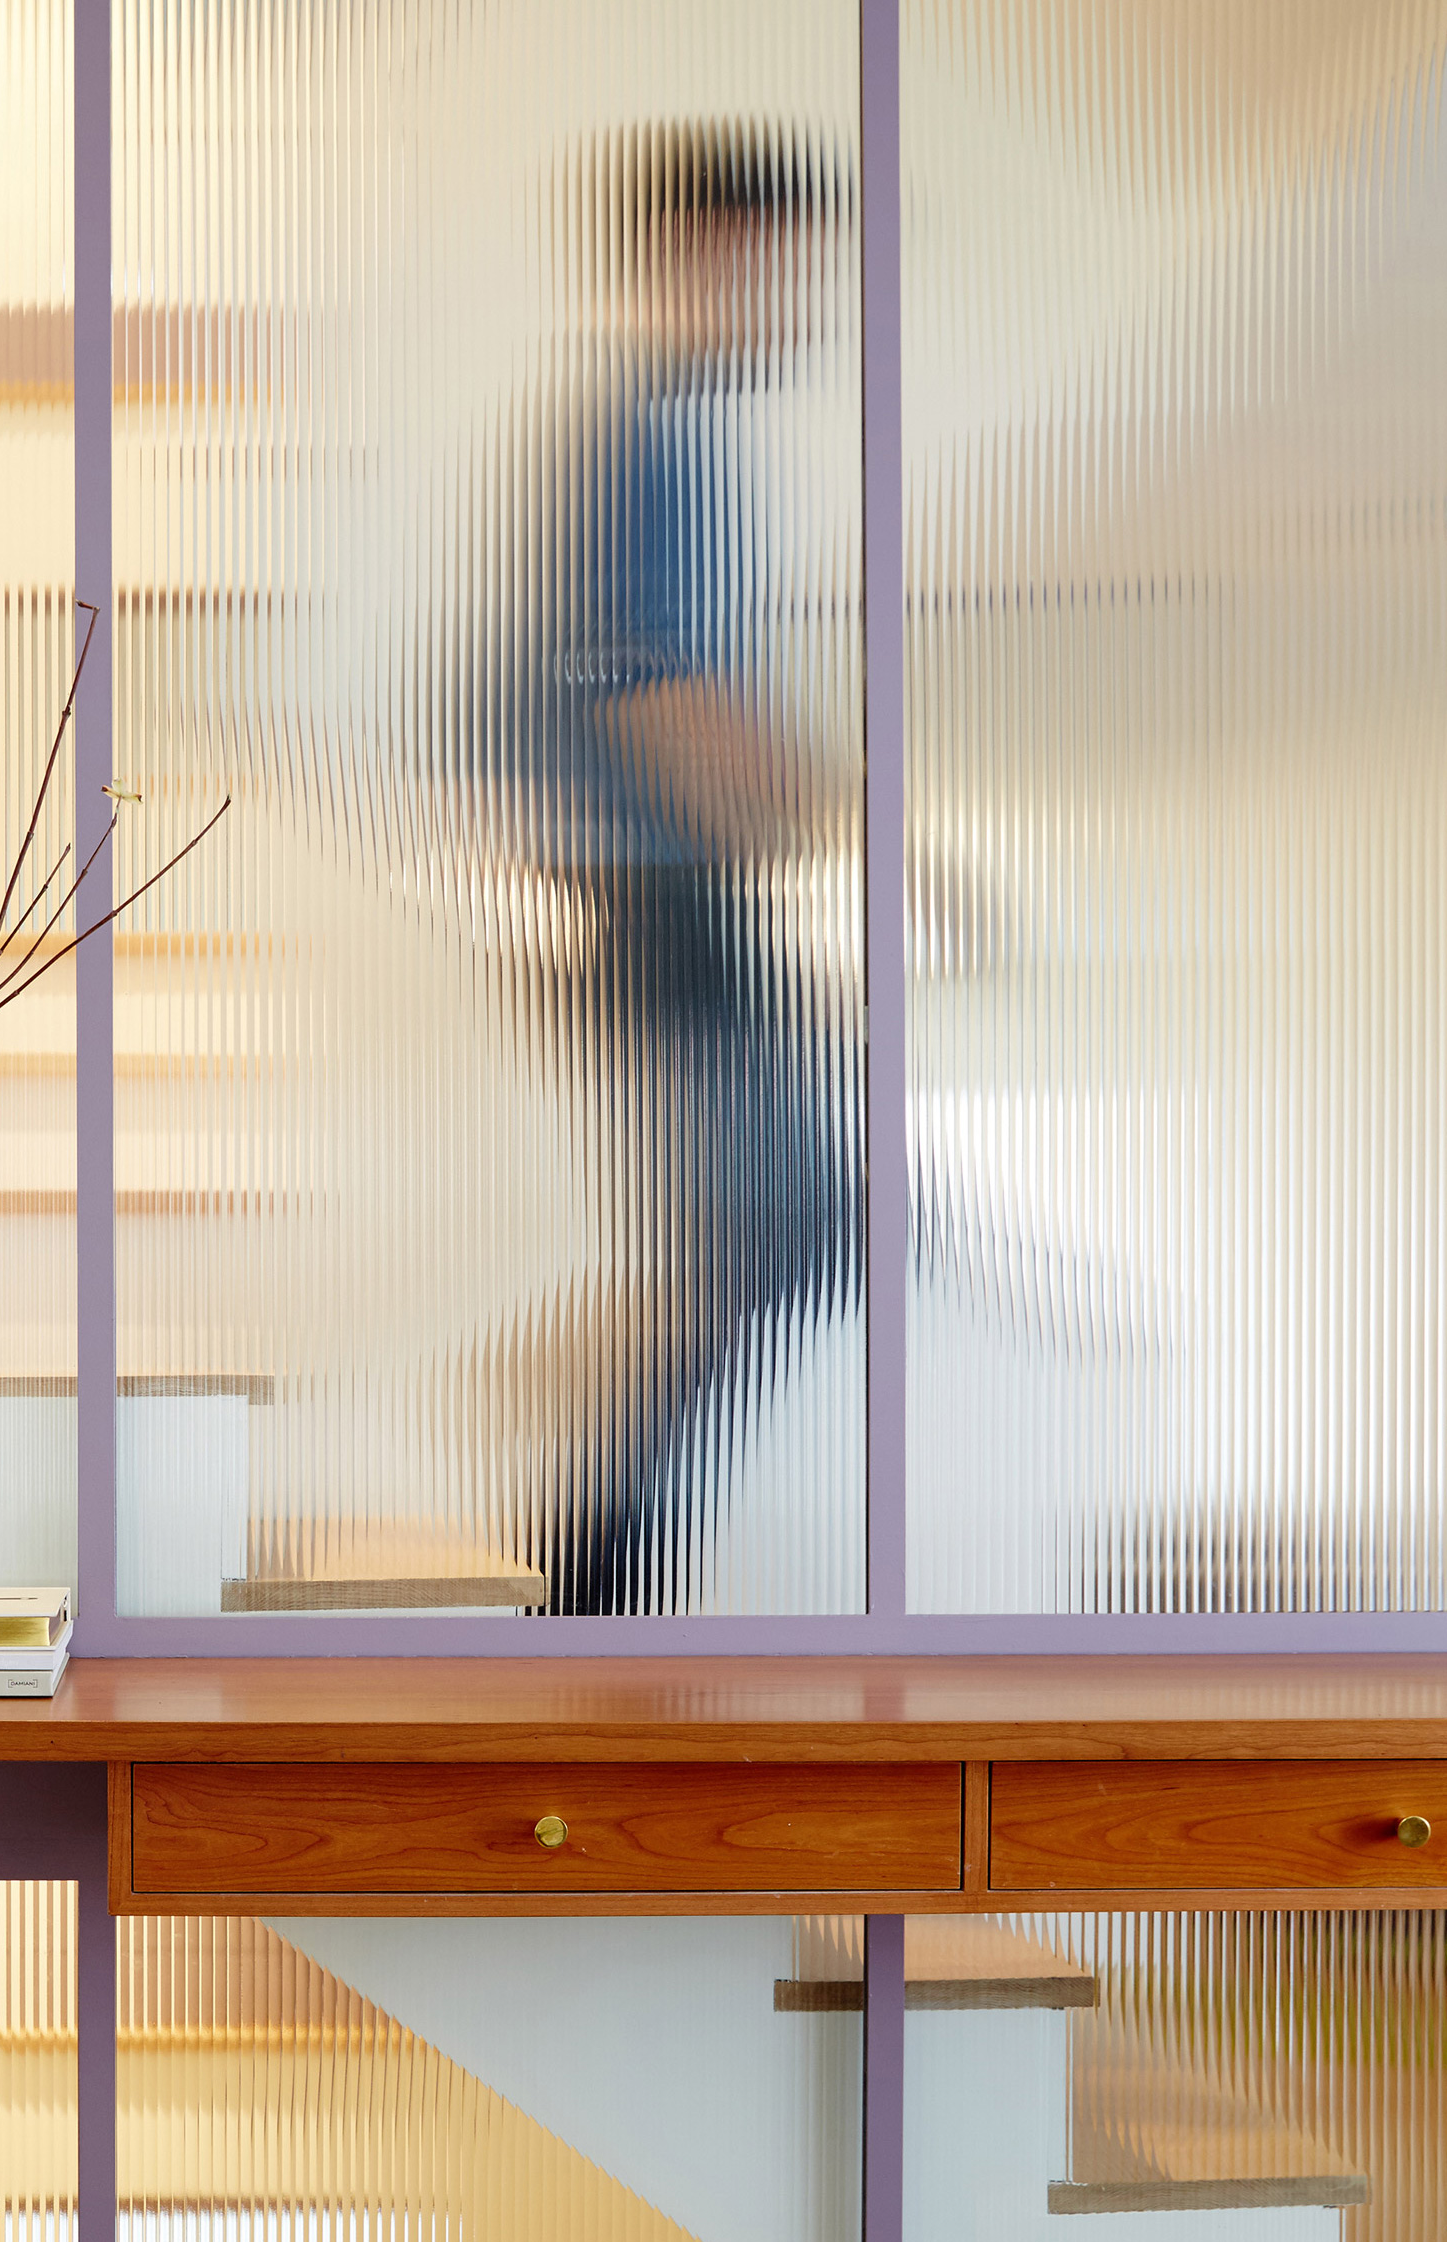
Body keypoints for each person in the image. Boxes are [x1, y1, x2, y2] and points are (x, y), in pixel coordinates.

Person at [489, 120, 861, 1613]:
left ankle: (603, 1538)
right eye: (767, 263)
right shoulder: (640, 435)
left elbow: (686, 682)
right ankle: (596, 1560)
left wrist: (823, 812)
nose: (789, 298)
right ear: (693, 254)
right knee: (786, 1231)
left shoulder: (677, 434)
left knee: (786, 1232)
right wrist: (820, 827)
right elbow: (645, 686)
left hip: (672, 896)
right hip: (656, 899)